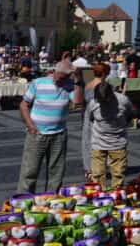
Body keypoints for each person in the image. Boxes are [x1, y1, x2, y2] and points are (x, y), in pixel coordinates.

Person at [17, 58, 83, 193]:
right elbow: (24, 104)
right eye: (59, 77)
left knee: (56, 173)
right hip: (37, 134)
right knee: (29, 171)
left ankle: (51, 201)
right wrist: (30, 125)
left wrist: (78, 80)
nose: (60, 81)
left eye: (64, 78)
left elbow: (77, 101)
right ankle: (23, 202)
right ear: (54, 72)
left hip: (59, 135)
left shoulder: (69, 85)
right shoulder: (38, 83)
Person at [84, 80, 132, 188]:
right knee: (97, 175)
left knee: (118, 175)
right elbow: (91, 119)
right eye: (101, 101)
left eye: (105, 101)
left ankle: (116, 198)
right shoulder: (93, 103)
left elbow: (129, 115)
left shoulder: (123, 100)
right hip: (98, 143)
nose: (103, 103)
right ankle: (99, 198)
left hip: (118, 143)